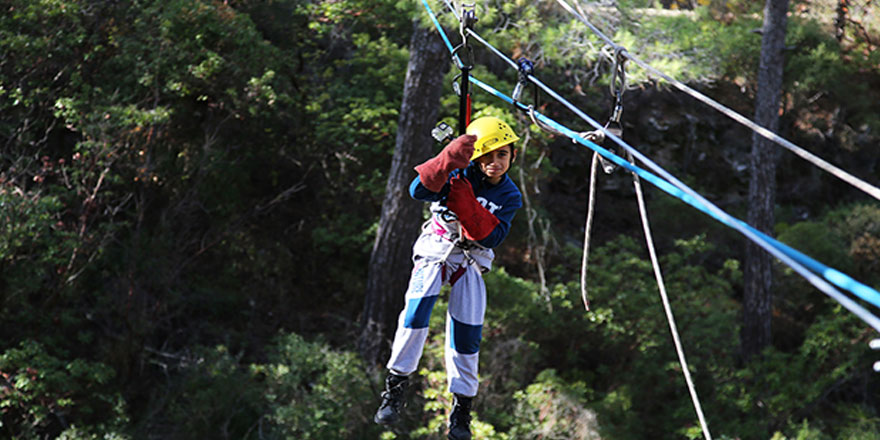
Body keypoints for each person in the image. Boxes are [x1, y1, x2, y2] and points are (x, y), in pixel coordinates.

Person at [373, 116, 523, 440]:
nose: (494, 163)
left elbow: (493, 237)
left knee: (467, 335)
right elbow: (417, 190)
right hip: (437, 246)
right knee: (415, 315)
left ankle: (461, 412)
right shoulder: (458, 169)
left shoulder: (510, 195)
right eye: (486, 156)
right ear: (475, 156)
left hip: (471, 257)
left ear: (512, 156)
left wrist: (468, 205)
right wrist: (445, 162)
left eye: (502, 155)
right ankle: (396, 387)